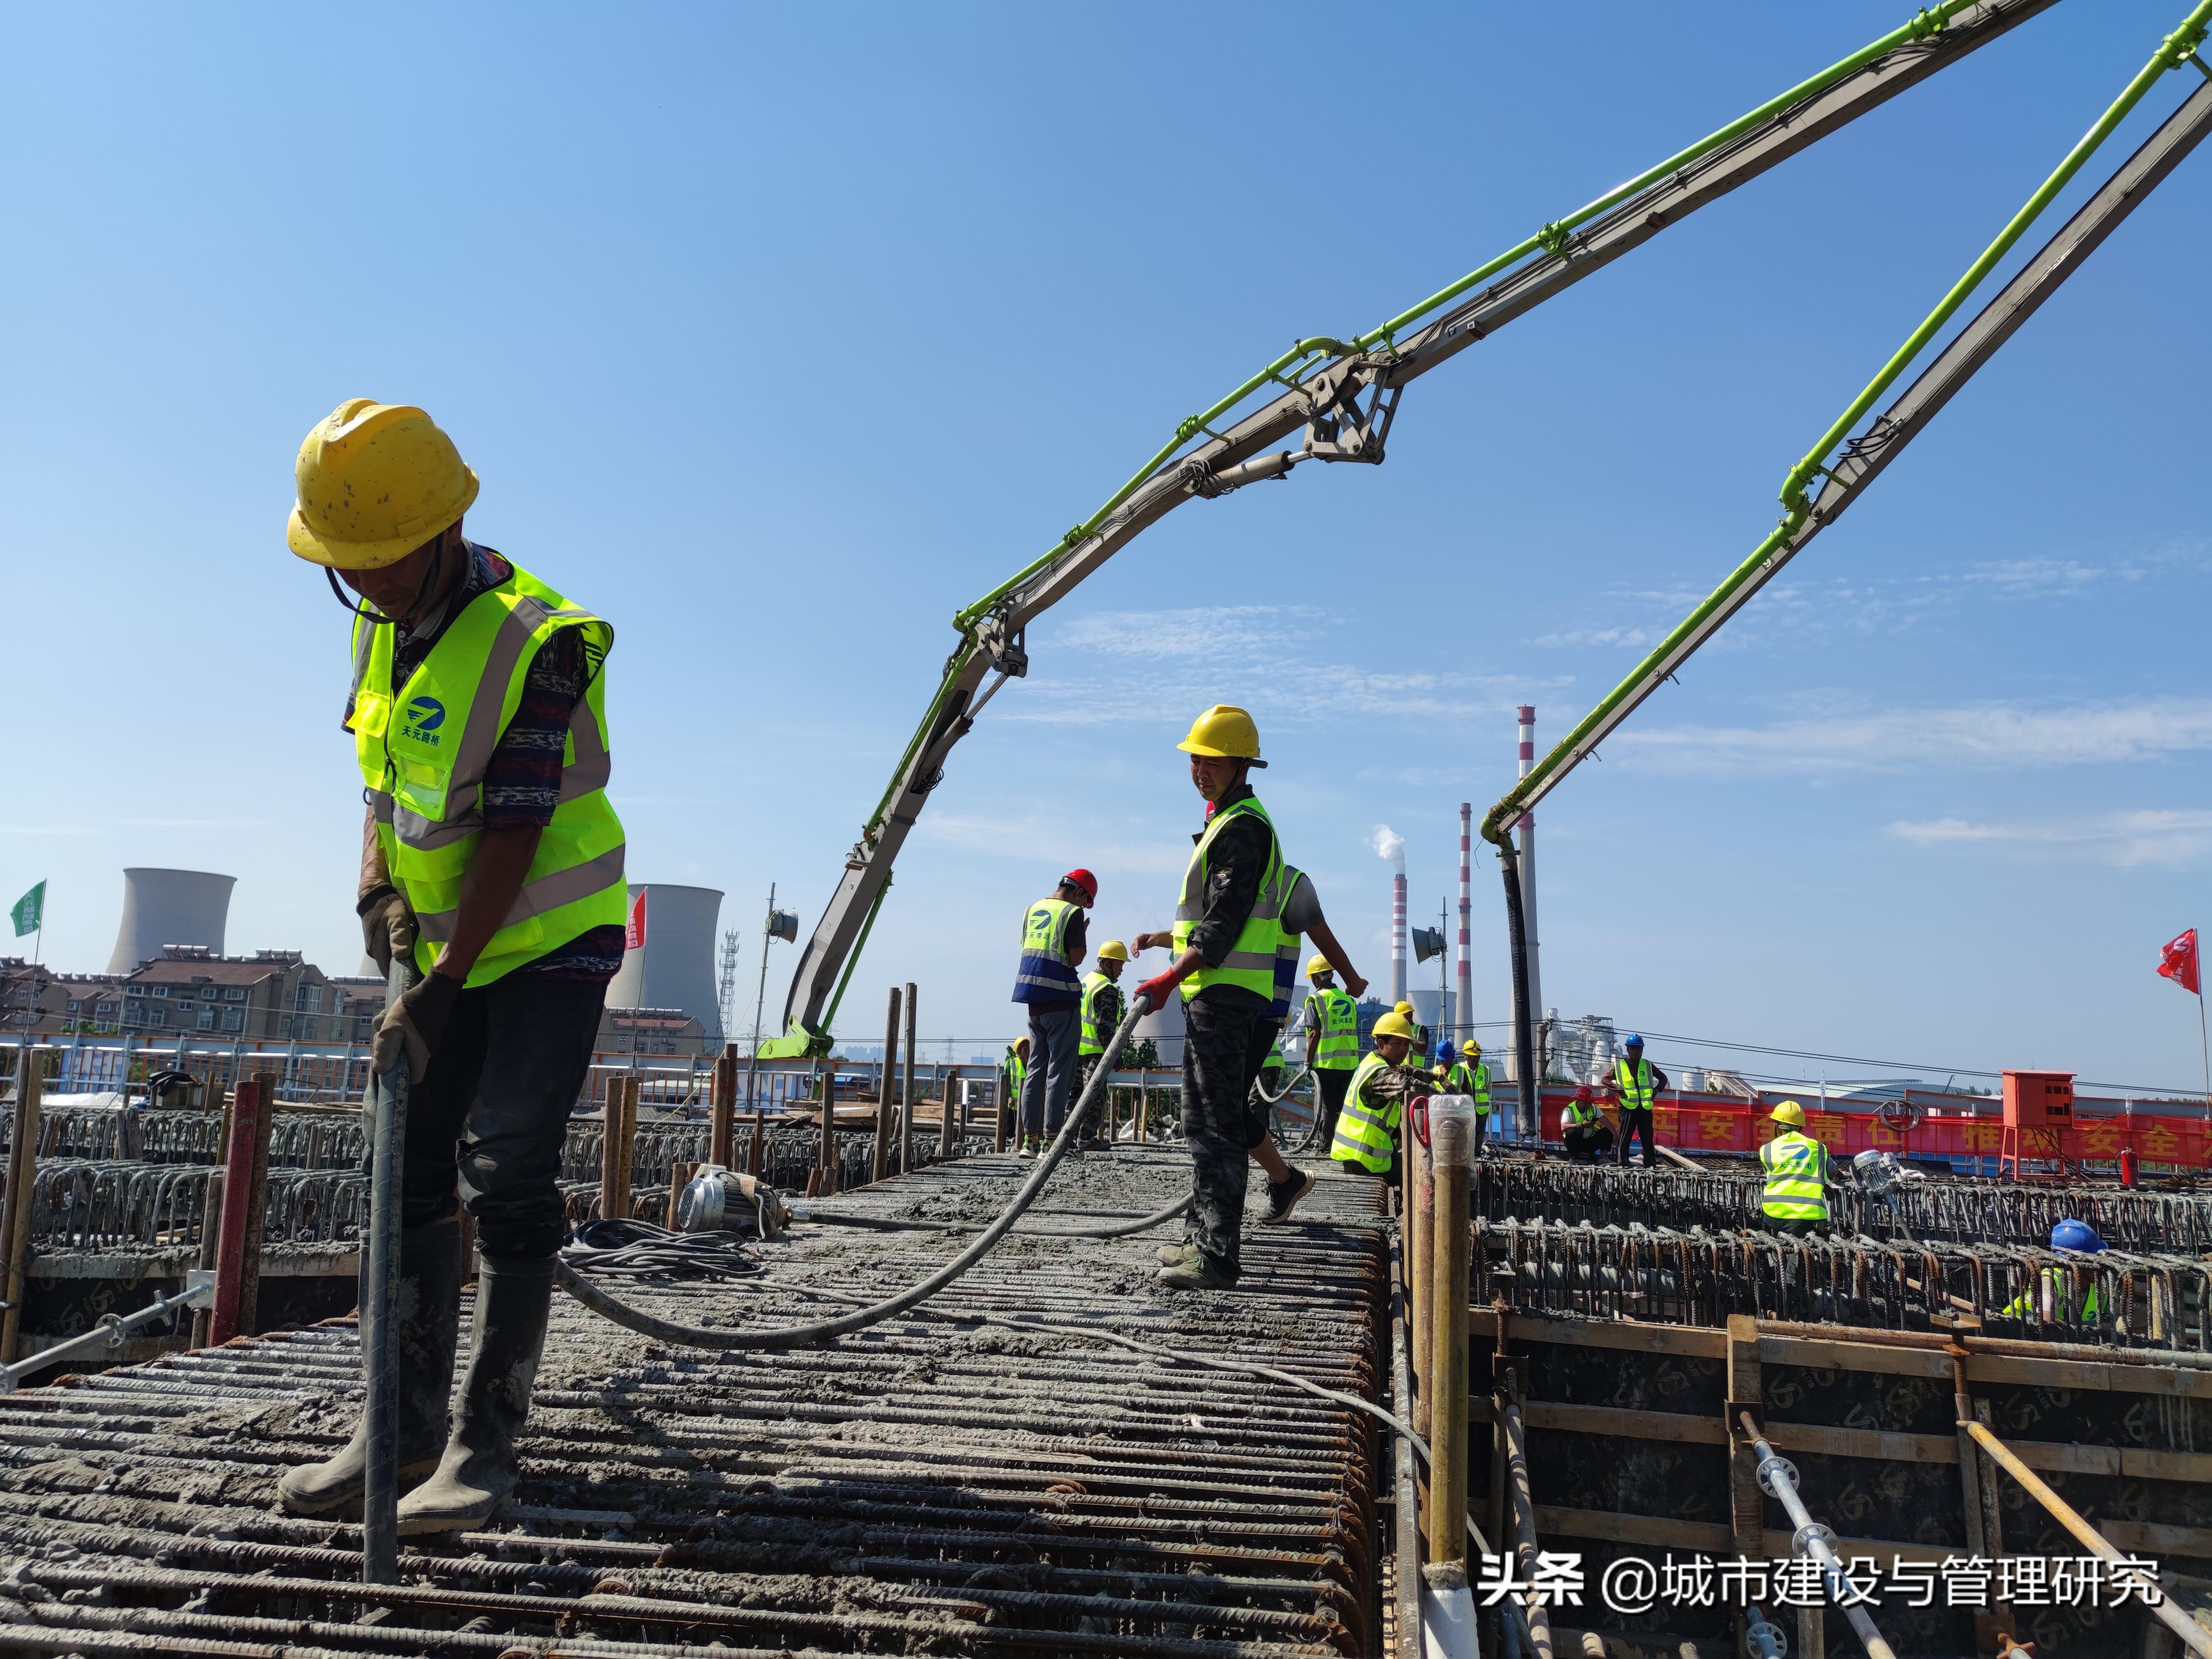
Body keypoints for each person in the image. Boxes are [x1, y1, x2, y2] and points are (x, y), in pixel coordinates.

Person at [275, 401, 628, 1534]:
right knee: (408, 1169)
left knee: (505, 1168)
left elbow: (516, 827)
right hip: (442, 947)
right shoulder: (378, 628)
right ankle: (398, 1428)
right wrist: (375, 888)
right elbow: (381, 783)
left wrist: (441, 981)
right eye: (349, 566)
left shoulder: (541, 638)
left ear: (442, 526)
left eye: (380, 560)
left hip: (546, 944)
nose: (367, 583)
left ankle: (486, 1444)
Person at [1132, 705, 1315, 1290]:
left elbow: (1222, 925)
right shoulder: (1227, 822)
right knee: (1203, 1122)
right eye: (1194, 760)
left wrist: (1167, 977)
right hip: (1214, 991)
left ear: (1240, 763)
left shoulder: (1244, 828)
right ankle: (1198, 1236)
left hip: (1227, 992)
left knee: (1216, 1126)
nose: (1199, 770)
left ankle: (1217, 1255)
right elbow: (1204, 920)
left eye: (1210, 761)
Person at [1012, 868, 1095, 1157]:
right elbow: (1075, 958)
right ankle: (1053, 1142)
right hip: (1061, 998)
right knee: (1059, 1071)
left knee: (1036, 1069)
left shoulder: (1032, 910)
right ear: (1081, 892)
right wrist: (1081, 936)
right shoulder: (1070, 914)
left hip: (1033, 1001)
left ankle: (1029, 1143)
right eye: (1086, 902)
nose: (1083, 908)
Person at [1329, 1008, 1425, 1183]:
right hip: (1364, 1158)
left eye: (1406, 1045)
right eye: (1397, 1043)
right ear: (1381, 1044)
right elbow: (1406, 1085)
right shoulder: (1381, 1074)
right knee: (1418, 1175)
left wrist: (1434, 1076)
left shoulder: (1373, 1061)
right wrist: (1440, 1096)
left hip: (1357, 1154)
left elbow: (1407, 1071)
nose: (1403, 1050)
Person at [1303, 957, 1366, 1151]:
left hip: (1327, 1065)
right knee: (1346, 1107)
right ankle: (1345, 1145)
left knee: (1327, 1108)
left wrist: (1308, 1062)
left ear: (1316, 979)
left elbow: (1314, 1033)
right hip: (1350, 1064)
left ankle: (1325, 1147)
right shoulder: (1348, 1000)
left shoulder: (1315, 1000)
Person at [1999, 1221, 2105, 1324]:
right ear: (2077, 1263)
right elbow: (2046, 1321)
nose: (2100, 1266)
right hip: (2018, 1330)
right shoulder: (2051, 1279)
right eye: (2093, 1260)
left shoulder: (2103, 1287)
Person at [1076, 939, 1130, 1129]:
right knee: (1094, 1097)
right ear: (1107, 964)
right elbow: (1105, 1028)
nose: (1122, 970)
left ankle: (1069, 1141)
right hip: (1096, 1053)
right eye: (1120, 965)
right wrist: (1114, 1055)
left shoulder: (1085, 982)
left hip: (1076, 1052)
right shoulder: (1106, 988)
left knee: (1074, 1099)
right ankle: (1085, 1139)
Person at [1758, 1101, 1833, 1236]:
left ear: (1776, 1126)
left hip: (1772, 1214)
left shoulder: (1767, 1149)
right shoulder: (1818, 1148)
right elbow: (1832, 1171)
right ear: (1801, 1127)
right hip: (1807, 1217)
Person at [1609, 1033, 1666, 1168]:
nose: (1635, 1051)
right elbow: (1605, 1079)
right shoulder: (1619, 1066)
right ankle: (1623, 1164)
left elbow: (1663, 1078)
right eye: (1633, 1048)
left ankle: (1650, 1165)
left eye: (1638, 1048)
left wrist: (1656, 1091)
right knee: (1625, 1138)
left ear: (1642, 1050)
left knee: (1647, 1139)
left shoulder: (1647, 1065)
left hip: (1645, 1109)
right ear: (1628, 1050)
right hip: (1628, 1107)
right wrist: (1617, 1088)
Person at [1445, 1040, 1491, 1158]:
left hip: (1481, 1110)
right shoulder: (1459, 1069)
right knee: (1464, 1135)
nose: (1474, 1059)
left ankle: (1476, 1157)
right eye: (1471, 1056)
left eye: (1477, 1056)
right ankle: (1464, 1157)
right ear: (1466, 1056)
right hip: (1464, 1110)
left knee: (1479, 1135)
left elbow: (1489, 1089)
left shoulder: (1486, 1070)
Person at [1562, 1085, 1614, 1163]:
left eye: (1590, 1103)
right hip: (1576, 1144)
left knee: (1608, 1131)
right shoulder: (1569, 1110)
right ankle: (1572, 1159)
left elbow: (1606, 1122)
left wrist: (1616, 1135)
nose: (1587, 1105)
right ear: (1578, 1100)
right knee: (1571, 1133)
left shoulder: (1593, 1108)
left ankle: (1603, 1158)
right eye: (1585, 1103)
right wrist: (1582, 1125)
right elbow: (1564, 1127)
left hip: (1590, 1143)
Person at [1000, 1037, 1028, 1143]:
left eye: (1029, 1048)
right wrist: (1009, 1097)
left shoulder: (1034, 1064)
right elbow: (1005, 1082)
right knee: (1009, 1133)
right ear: (1019, 1050)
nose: (1027, 1050)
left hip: (1028, 1106)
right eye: (1024, 1048)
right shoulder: (1011, 1064)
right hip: (1013, 1107)